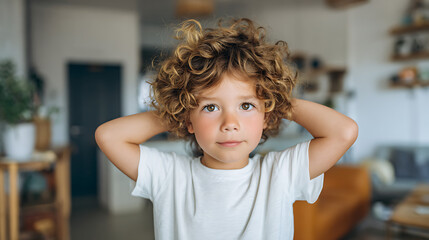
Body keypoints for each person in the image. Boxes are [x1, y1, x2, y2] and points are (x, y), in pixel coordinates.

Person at [95, 18, 358, 240]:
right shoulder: (170, 177)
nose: (230, 123)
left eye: (246, 105)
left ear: (266, 114)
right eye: (211, 108)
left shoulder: (280, 174)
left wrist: (275, 99)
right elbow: (108, 136)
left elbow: (343, 132)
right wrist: (180, 109)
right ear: (189, 119)